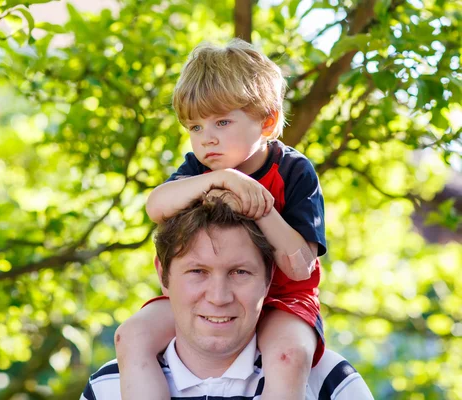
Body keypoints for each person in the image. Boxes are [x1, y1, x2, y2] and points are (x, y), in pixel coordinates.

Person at [116, 39, 327, 400]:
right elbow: (156, 206)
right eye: (195, 127)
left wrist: (259, 207)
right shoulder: (202, 169)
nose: (206, 139)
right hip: (208, 297)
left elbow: (300, 269)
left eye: (222, 122)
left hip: (282, 300)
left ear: (267, 121)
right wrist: (223, 180)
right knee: (130, 336)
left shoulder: (294, 171)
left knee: (290, 355)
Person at [83, 197, 373, 399]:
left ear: (269, 276)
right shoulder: (108, 387)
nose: (219, 297)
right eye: (197, 271)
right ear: (163, 275)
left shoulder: (327, 381)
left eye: (239, 272)